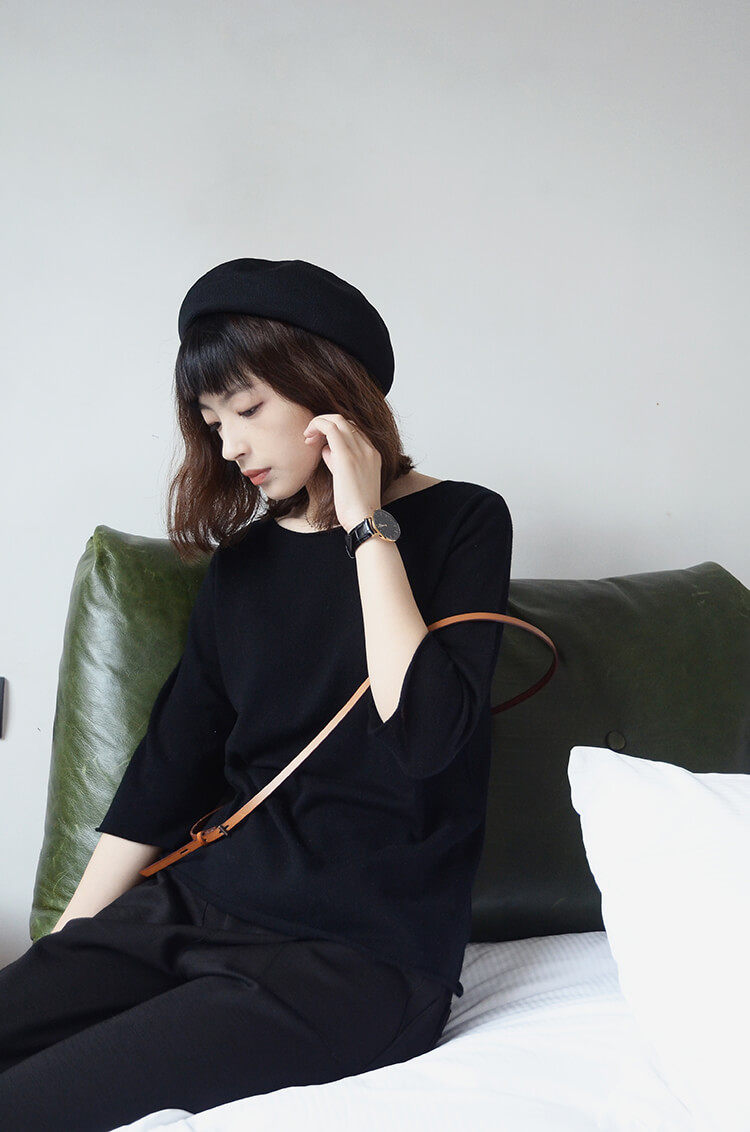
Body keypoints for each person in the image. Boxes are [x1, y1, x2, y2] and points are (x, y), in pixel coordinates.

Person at [0, 259, 513, 1131]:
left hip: (357, 957)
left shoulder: (465, 521)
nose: (230, 445)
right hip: (196, 906)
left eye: (248, 409)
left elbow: (427, 737)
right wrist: (69, 944)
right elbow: (170, 767)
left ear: (328, 390)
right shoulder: (243, 565)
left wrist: (366, 526)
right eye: (212, 422)